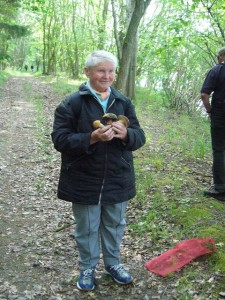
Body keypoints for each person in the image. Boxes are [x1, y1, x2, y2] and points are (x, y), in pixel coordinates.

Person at [51, 50, 146, 291]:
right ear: (87, 72)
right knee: (87, 227)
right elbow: (60, 140)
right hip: (83, 178)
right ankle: (87, 267)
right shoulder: (72, 103)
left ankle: (113, 264)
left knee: (115, 224)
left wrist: (127, 134)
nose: (107, 76)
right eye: (101, 70)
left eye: (111, 71)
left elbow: (139, 137)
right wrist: (91, 138)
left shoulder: (123, 102)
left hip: (117, 176)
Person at [200, 47, 225, 200]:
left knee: (219, 149)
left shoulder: (217, 70)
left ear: (222, 56)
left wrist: (209, 111)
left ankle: (220, 188)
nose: (217, 59)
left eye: (218, 57)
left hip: (220, 115)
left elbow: (204, 94)